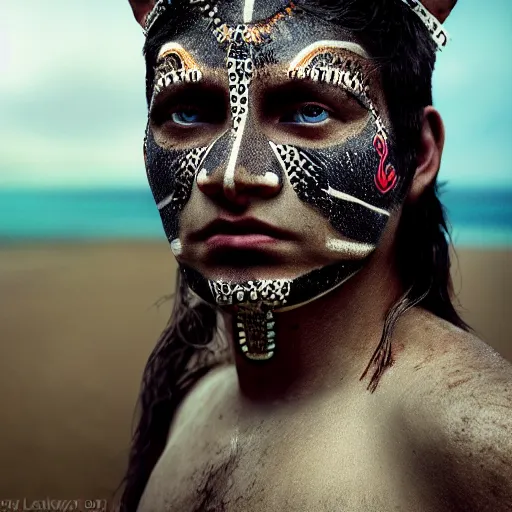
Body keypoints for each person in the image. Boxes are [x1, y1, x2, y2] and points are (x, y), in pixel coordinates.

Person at [116, 0, 512, 510]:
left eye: (310, 110)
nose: (233, 173)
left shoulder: (478, 437)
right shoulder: (193, 406)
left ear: (419, 153)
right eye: (188, 112)